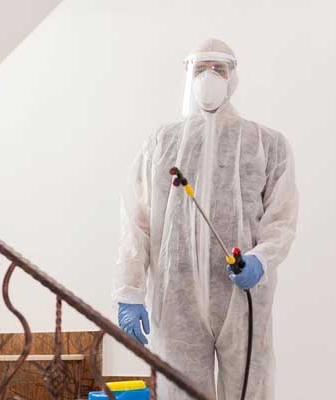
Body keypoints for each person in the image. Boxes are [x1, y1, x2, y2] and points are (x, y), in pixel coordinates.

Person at [113, 38, 298, 399]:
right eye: (201, 69)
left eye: (219, 69)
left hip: (243, 294)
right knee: (179, 392)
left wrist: (259, 260)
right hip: (176, 295)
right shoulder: (162, 143)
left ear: (233, 78)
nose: (209, 78)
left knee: (249, 390)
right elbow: (136, 221)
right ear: (188, 76)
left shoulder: (266, 144)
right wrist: (129, 291)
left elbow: (282, 218)